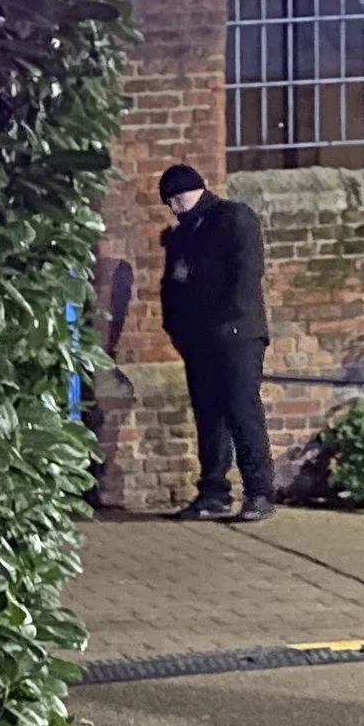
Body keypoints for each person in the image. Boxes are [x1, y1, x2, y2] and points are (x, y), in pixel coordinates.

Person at [156, 163, 273, 522]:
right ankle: (213, 493)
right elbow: (172, 287)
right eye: (169, 202)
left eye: (179, 198)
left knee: (242, 410)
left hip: (238, 336)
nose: (176, 207)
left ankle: (259, 492)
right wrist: (177, 331)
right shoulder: (181, 236)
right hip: (200, 341)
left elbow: (246, 272)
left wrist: (229, 322)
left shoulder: (232, 218)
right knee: (209, 417)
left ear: (197, 190)